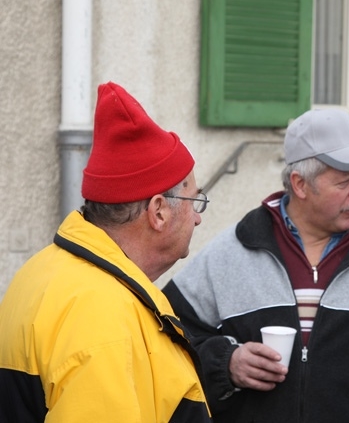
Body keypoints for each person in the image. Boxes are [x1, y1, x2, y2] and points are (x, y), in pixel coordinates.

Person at [163, 108, 349, 422]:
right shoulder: (227, 254)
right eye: (344, 181)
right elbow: (164, 347)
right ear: (300, 184)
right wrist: (225, 364)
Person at [0, 82, 212, 422]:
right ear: (159, 212)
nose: (198, 217)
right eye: (194, 200)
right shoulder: (104, 316)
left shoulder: (42, 271)